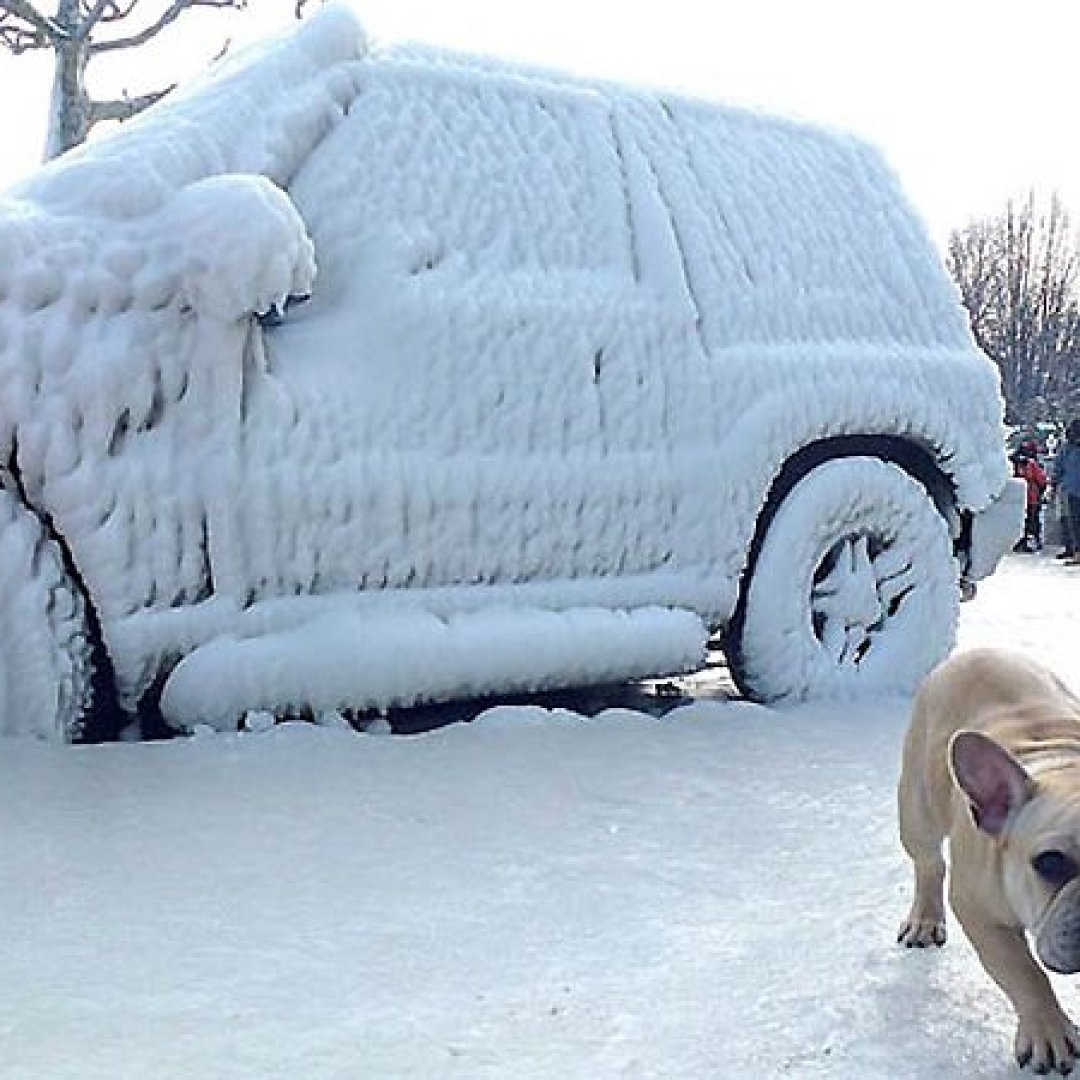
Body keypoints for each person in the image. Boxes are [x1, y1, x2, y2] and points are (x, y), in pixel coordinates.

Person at [1049, 420, 1080, 563]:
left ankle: (1076, 552)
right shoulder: (1066, 449)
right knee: (1073, 523)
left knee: (1074, 523)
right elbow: (1058, 468)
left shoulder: (1067, 449)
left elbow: (1058, 469)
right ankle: (1076, 551)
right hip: (1072, 490)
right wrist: (1053, 485)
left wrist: (1054, 485)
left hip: (1072, 489)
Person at [1011, 441, 1048, 552]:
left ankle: (1019, 541)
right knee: (1033, 520)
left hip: (1017, 498)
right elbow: (1041, 479)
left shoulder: (1013, 463)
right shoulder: (1032, 463)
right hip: (1032, 497)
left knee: (1020, 521)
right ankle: (1033, 540)